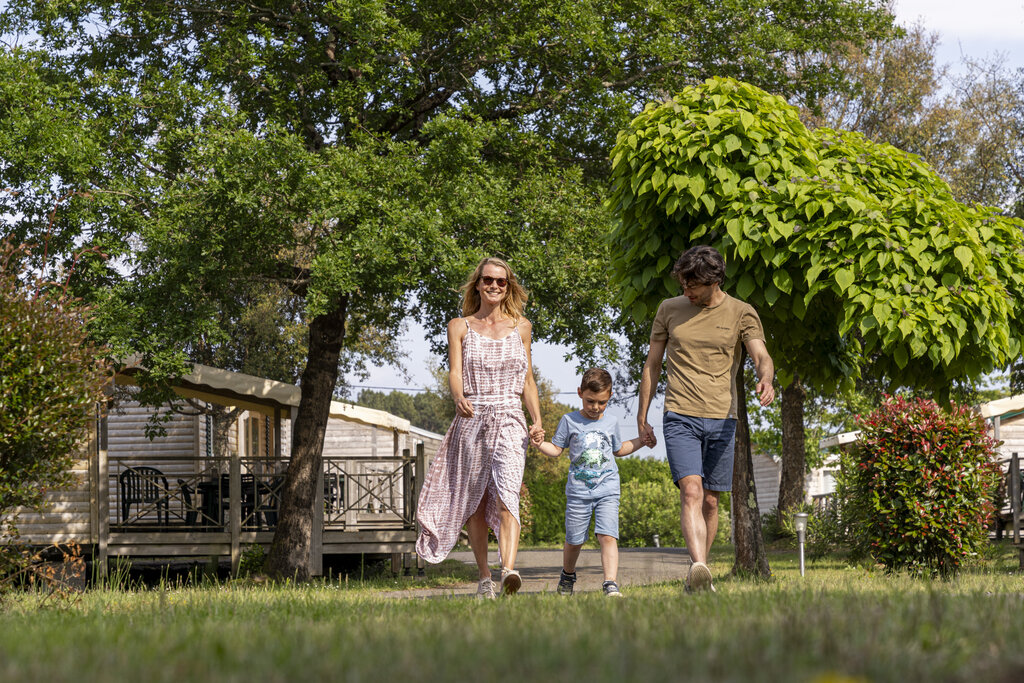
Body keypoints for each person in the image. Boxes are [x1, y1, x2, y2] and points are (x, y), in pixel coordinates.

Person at [636, 245, 775, 592]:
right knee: (691, 491)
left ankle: (700, 575)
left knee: (712, 500)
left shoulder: (742, 313)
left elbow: (761, 354)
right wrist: (643, 415)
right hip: (679, 413)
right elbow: (652, 364)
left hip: (722, 416)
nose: (686, 292)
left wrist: (766, 377)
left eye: (692, 285)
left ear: (714, 281)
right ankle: (698, 565)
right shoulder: (669, 309)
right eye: (683, 284)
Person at [415, 257, 544, 599]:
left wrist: (537, 420)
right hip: (473, 417)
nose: (494, 286)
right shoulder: (459, 325)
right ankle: (485, 576)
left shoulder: (522, 327)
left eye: (501, 282)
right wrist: (458, 396)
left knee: (507, 494)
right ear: (477, 284)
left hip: (510, 418)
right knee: (476, 502)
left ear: (509, 287)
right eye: (488, 279)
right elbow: (455, 371)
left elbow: (527, 379)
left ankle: (508, 571)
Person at [531, 368, 647, 597]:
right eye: (590, 401)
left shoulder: (611, 422)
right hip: (579, 491)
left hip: (608, 488)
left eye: (601, 402)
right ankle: (567, 573)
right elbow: (555, 450)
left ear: (610, 396)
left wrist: (642, 441)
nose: (595, 407)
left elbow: (619, 449)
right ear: (579, 393)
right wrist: (538, 443)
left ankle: (610, 583)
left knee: (607, 535)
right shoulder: (569, 421)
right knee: (574, 540)